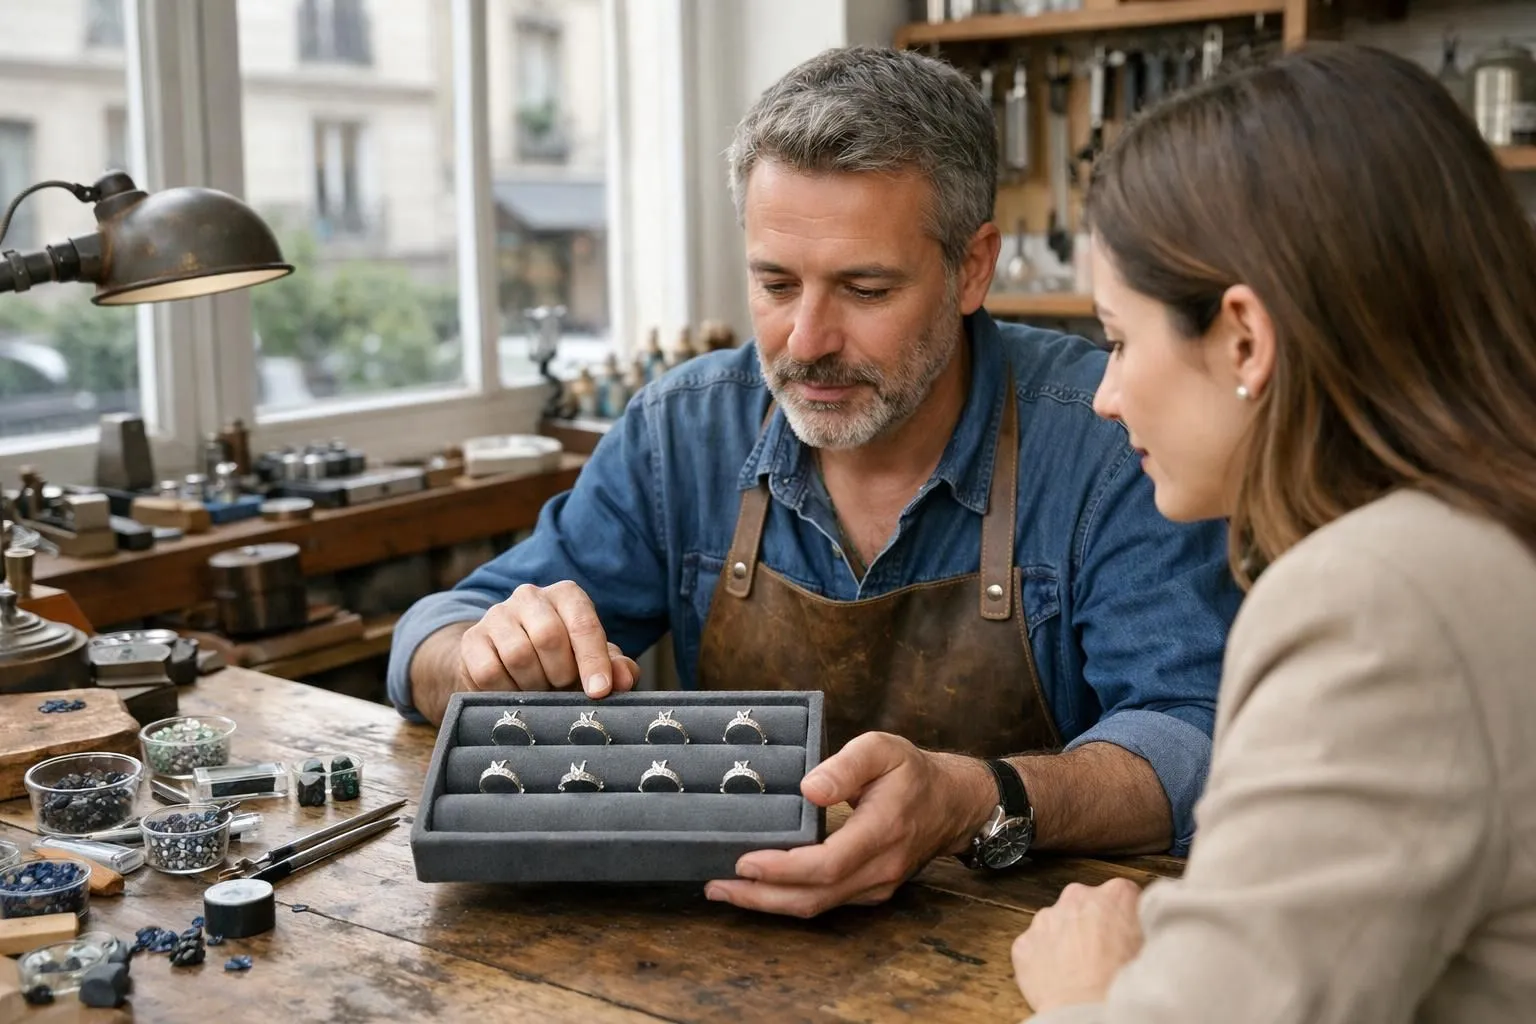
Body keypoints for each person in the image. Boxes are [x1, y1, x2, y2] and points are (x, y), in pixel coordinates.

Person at [387, 46, 1243, 917]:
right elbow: (432, 631)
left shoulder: (1110, 437)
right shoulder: (682, 431)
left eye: (866, 289)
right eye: (775, 283)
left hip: (1024, 946)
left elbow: (1192, 736)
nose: (805, 341)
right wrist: (480, 655)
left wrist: (980, 799)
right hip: (720, 943)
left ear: (972, 268)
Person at [1012, 42, 1536, 1022]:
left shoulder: (1379, 601)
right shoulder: (1483, 536)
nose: (1106, 398)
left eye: (1118, 340)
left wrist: (1092, 988)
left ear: (1246, 338)